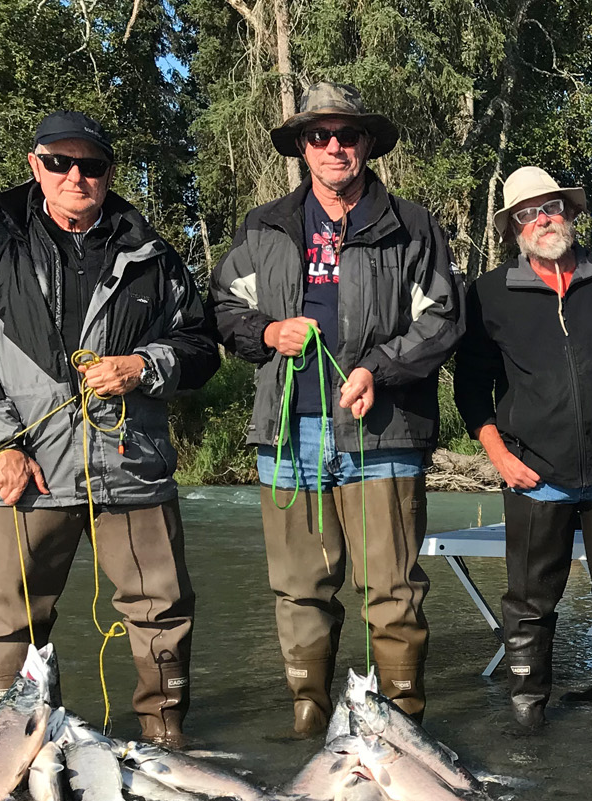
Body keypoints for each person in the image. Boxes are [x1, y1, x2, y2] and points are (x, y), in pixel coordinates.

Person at [0, 110, 216, 748]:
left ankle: (164, 745)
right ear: (35, 166)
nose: (75, 176)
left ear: (110, 173)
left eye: (91, 165)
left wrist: (145, 366)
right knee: (9, 622)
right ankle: (14, 754)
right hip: (20, 471)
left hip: (130, 466)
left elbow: (200, 348)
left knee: (162, 612)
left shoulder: (153, 255)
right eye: (60, 162)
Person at [213, 83, 463, 735]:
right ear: (301, 146)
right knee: (300, 591)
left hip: (384, 434)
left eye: (346, 135)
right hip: (287, 434)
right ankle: (309, 715)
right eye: (318, 135)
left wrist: (377, 369)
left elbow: (442, 319)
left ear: (367, 144)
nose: (333, 147)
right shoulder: (264, 225)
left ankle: (403, 722)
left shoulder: (413, 226)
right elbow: (223, 307)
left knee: (393, 592)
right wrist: (268, 334)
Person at [456, 166, 592, 738]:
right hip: (533, 471)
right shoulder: (487, 294)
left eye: (552, 206)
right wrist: (498, 454)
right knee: (530, 602)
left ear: (571, 213)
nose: (543, 219)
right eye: (528, 213)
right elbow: (470, 386)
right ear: (513, 228)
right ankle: (529, 703)